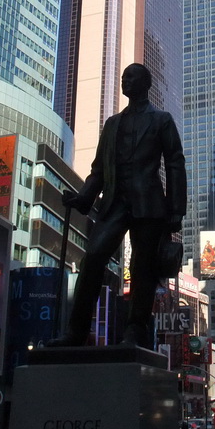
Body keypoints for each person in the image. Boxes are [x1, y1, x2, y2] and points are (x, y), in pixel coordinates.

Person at [51, 63, 186, 348]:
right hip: (115, 203)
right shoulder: (112, 124)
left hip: (148, 205)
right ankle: (76, 331)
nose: (124, 80)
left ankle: (135, 329)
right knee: (93, 257)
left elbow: (175, 163)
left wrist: (176, 210)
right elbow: (99, 169)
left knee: (142, 269)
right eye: (123, 76)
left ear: (146, 83)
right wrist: (83, 198)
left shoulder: (161, 120)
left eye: (131, 76)